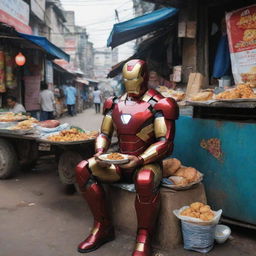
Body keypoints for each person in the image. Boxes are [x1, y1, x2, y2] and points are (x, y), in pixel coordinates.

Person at [75, 59, 179, 256]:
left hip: (146, 163)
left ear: (144, 77)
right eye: (127, 79)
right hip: (119, 163)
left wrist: (140, 160)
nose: (131, 84)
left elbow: (165, 143)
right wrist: (100, 153)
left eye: (134, 79)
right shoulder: (114, 103)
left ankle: (143, 238)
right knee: (83, 168)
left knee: (145, 179)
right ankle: (102, 226)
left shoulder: (160, 104)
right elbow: (104, 134)